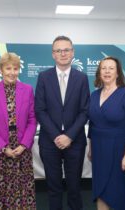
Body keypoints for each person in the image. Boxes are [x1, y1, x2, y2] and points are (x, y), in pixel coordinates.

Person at [35, 35, 90, 210]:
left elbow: (85, 111)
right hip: (50, 142)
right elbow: (40, 110)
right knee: (54, 187)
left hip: (75, 142)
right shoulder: (44, 77)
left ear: (73, 52)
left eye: (66, 49)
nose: (63, 53)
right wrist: (57, 136)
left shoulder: (81, 78)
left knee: (74, 187)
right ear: (53, 54)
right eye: (59, 50)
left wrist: (69, 136)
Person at [0, 52, 37, 209]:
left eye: (15, 68)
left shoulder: (27, 90)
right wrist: (2, 147)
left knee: (22, 193)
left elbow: (32, 120)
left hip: (21, 150)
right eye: (8, 68)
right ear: (0, 69)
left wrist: (24, 145)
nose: (12, 72)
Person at [87, 56, 125, 210]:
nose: (107, 71)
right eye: (104, 68)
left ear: (118, 73)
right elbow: (92, 124)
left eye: (111, 68)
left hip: (118, 149)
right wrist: (90, 148)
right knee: (100, 189)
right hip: (98, 148)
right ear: (99, 72)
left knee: (117, 190)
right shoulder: (94, 95)